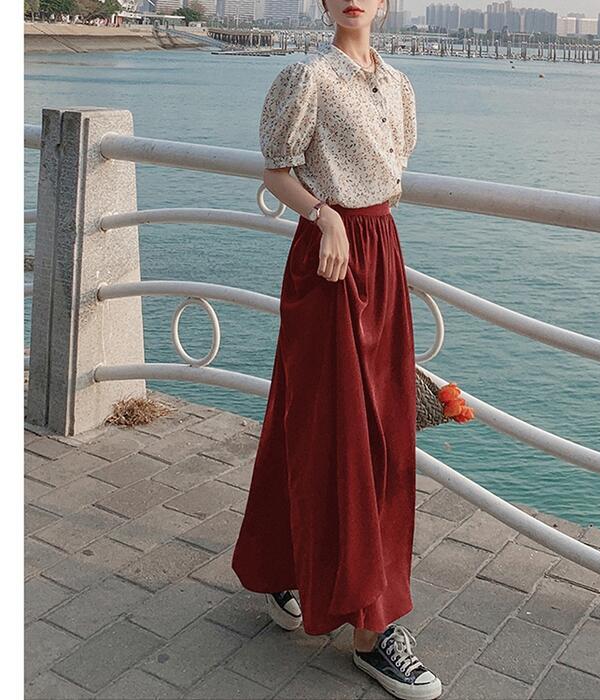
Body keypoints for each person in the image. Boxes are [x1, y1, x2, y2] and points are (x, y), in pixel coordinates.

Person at [231, 2, 442, 698]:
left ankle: (282, 565)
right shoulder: (308, 76)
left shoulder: (399, 86)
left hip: (381, 256)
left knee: (378, 431)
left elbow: (392, 176)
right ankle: (372, 630)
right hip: (329, 260)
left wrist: (357, 228)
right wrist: (324, 217)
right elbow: (276, 169)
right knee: (338, 431)